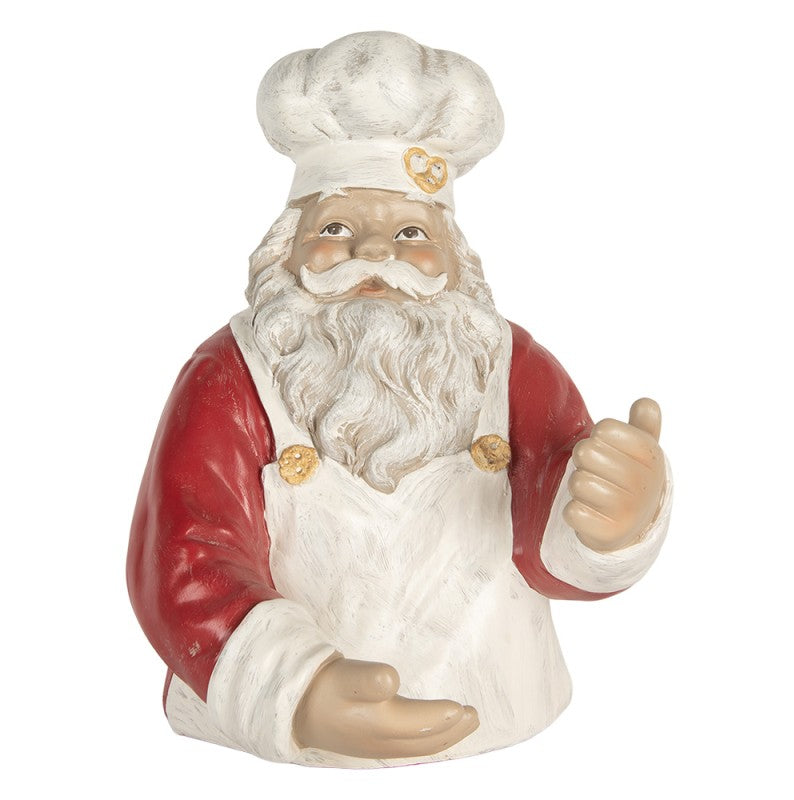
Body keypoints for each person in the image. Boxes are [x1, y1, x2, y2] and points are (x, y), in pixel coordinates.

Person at [127, 31, 672, 768]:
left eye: (411, 231)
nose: (375, 252)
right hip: (272, 747)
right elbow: (188, 551)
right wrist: (295, 689)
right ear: (285, 251)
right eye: (336, 228)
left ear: (454, 260)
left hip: (502, 715)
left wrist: (614, 519)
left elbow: (550, 532)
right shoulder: (231, 374)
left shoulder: (508, 362)